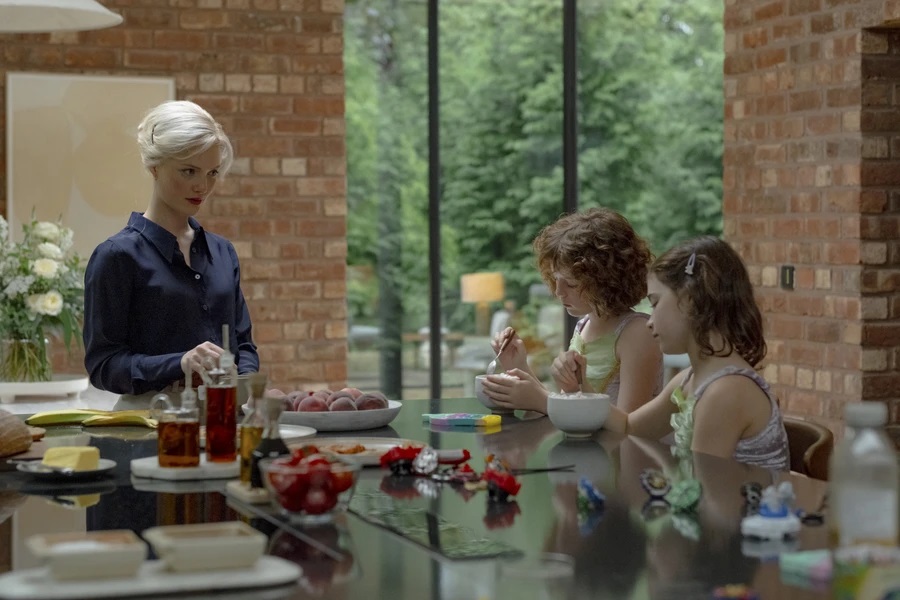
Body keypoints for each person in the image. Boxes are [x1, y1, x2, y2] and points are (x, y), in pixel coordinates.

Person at [83, 100, 259, 410]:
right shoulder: (116, 256)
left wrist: (243, 382)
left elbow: (243, 345)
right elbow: (103, 366)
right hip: (150, 423)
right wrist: (180, 363)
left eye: (212, 173)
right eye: (189, 171)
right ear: (154, 166)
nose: (202, 186)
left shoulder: (222, 252)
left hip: (224, 419)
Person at [604, 236, 789, 470]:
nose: (649, 321)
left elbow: (700, 486)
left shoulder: (725, 392)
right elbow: (630, 427)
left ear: (689, 301)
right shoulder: (688, 379)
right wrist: (578, 391)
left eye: (655, 303)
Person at [482, 207, 664, 414]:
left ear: (605, 281)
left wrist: (542, 400)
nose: (558, 292)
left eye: (571, 283)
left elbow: (628, 424)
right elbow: (570, 407)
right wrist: (518, 364)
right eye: (555, 279)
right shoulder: (584, 325)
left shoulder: (638, 333)